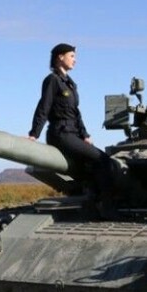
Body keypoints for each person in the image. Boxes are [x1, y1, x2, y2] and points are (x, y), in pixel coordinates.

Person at [29, 43, 114, 204]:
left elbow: (76, 112)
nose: (75, 60)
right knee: (102, 160)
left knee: (95, 163)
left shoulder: (70, 84)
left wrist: (85, 135)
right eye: (72, 56)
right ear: (60, 57)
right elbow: (44, 107)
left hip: (73, 133)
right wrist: (34, 134)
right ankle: (106, 206)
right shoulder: (52, 80)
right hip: (60, 133)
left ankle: (94, 199)